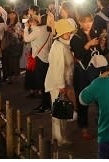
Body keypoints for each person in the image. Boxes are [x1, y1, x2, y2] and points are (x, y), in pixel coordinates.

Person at [71, 12, 106, 140]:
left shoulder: (95, 34)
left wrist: (102, 45)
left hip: (95, 71)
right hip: (82, 72)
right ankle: (84, 128)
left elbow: (100, 53)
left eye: (90, 22)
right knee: (82, 101)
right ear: (79, 22)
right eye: (84, 22)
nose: (87, 24)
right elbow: (78, 55)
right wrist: (88, 44)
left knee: (100, 100)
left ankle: (102, 125)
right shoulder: (75, 37)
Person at [44, 18, 77, 149]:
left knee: (61, 111)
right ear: (61, 34)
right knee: (58, 111)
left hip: (61, 84)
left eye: (69, 32)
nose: (69, 34)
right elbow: (57, 68)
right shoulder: (59, 47)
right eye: (67, 32)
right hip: (57, 84)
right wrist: (62, 86)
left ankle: (60, 137)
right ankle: (58, 138)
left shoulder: (62, 45)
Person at [25, 14, 53, 112]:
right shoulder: (50, 30)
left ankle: (45, 106)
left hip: (39, 58)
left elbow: (26, 39)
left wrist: (26, 28)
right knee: (45, 82)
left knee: (42, 83)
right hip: (47, 58)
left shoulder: (38, 30)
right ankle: (46, 104)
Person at [3, 10, 24, 83]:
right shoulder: (7, 23)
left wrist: (13, 31)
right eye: (10, 14)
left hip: (15, 45)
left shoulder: (18, 24)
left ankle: (15, 77)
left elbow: (18, 35)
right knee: (8, 62)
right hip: (8, 45)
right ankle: (10, 77)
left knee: (15, 62)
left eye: (13, 14)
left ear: (16, 16)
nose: (11, 16)